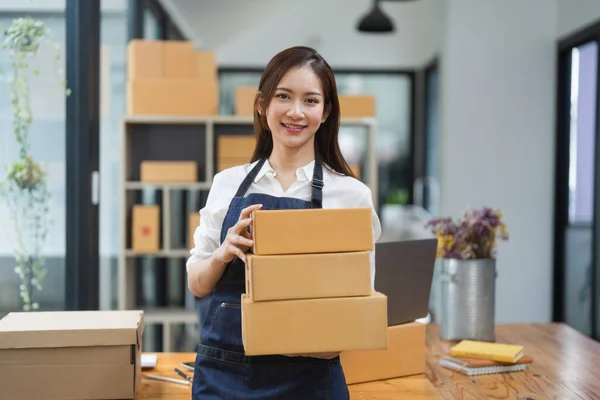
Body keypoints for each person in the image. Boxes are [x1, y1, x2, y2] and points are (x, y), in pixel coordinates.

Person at [186, 45, 381, 400]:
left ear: (325, 112)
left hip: (310, 380)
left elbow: (358, 309)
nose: (295, 112)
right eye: (283, 96)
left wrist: (290, 338)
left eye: (310, 100)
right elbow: (197, 285)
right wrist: (222, 255)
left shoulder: (351, 196)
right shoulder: (227, 184)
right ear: (262, 105)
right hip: (224, 377)